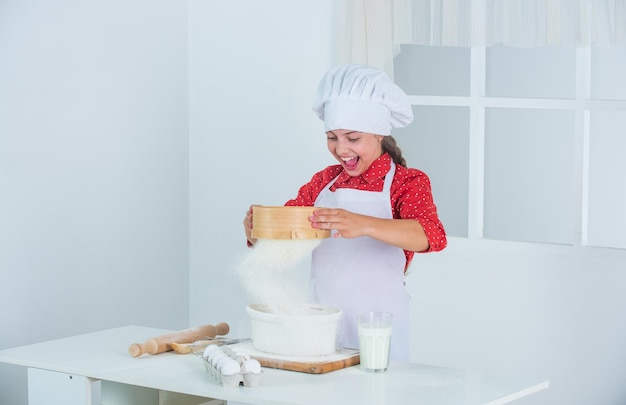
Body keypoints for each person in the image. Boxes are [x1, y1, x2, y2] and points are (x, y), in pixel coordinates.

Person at [243, 63, 446, 361]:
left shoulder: (407, 182)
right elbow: (288, 230)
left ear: (379, 134)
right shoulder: (325, 181)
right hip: (323, 326)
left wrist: (363, 224)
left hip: (380, 327)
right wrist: (257, 228)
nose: (341, 149)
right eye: (332, 137)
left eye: (353, 138)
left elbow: (430, 236)